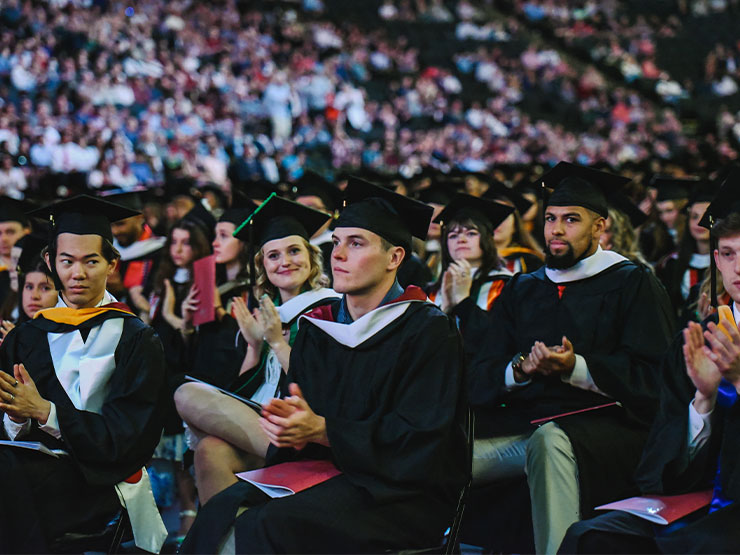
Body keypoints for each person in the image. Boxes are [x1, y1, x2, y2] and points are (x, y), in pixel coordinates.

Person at [179, 178, 467, 553]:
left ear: (395, 258)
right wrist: (291, 425)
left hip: (398, 494)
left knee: (267, 524)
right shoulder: (321, 325)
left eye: (356, 243)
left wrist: (324, 431)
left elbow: (420, 442)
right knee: (218, 512)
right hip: (328, 473)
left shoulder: (427, 330)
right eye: (336, 243)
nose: (339, 254)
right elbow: (304, 417)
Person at [452, 162, 675, 554]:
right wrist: (519, 369)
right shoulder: (524, 288)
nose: (555, 229)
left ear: (599, 227)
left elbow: (656, 378)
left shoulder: (632, 283)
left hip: (610, 432)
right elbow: (482, 369)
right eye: (551, 218)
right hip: (525, 424)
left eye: (571, 220)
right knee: (442, 456)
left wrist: (577, 368)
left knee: (549, 441)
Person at [560, 167, 740, 554]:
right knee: (589, 537)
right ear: (718, 263)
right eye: (728, 254)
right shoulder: (698, 341)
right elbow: (664, 464)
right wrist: (704, 402)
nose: (739, 267)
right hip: (700, 499)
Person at [0, 195, 167, 553]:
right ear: (49, 262)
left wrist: (46, 412)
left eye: (91, 261)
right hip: (27, 469)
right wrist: (15, 418)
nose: (78, 274)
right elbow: (9, 428)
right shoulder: (25, 337)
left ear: (112, 264)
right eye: (67, 261)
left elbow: (130, 439)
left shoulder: (137, 339)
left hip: (98, 481)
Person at [175, 193, 339, 504]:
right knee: (208, 446)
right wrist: (253, 345)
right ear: (262, 264)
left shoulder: (329, 310)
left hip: (300, 426)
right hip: (264, 420)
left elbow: (318, 385)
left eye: (294, 251)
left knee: (185, 395)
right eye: (273, 255)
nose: (285, 262)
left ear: (311, 256)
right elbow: (252, 386)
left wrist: (277, 342)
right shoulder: (269, 310)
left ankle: (284, 453)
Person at [426, 193, 514, 313]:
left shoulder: (508, 286)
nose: (461, 239)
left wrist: (463, 301)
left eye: (471, 233)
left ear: (487, 239)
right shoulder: (430, 292)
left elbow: (498, 331)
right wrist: (445, 309)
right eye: (453, 236)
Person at [656, 179, 718, 324]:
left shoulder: (728, 262)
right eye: (694, 217)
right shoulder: (672, 263)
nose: (699, 223)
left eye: (705, 217)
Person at [482, 178, 544, 274]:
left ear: (515, 226)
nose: (496, 221)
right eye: (490, 215)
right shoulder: (468, 258)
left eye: (503, 216)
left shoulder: (531, 263)